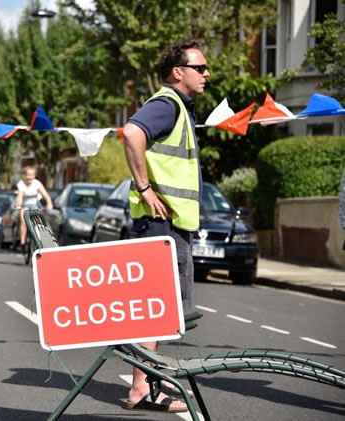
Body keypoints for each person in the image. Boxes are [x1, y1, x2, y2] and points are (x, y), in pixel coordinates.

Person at [121, 39, 210, 413]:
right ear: (179, 71)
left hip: (169, 226)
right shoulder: (166, 105)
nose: (207, 74)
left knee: (158, 309)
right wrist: (145, 187)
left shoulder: (178, 109)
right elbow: (130, 133)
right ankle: (145, 388)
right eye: (200, 68)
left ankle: (145, 385)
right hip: (162, 227)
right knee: (159, 309)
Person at [15, 166, 53, 249]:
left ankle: (42, 240)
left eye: (31, 175)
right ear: (25, 175)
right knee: (23, 220)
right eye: (28, 175)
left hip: (35, 206)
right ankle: (23, 242)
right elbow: (20, 197)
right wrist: (18, 203)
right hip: (25, 206)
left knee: (40, 221)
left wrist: (49, 204)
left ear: (35, 175)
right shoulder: (21, 184)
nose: (29, 177)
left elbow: (46, 196)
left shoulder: (37, 184)